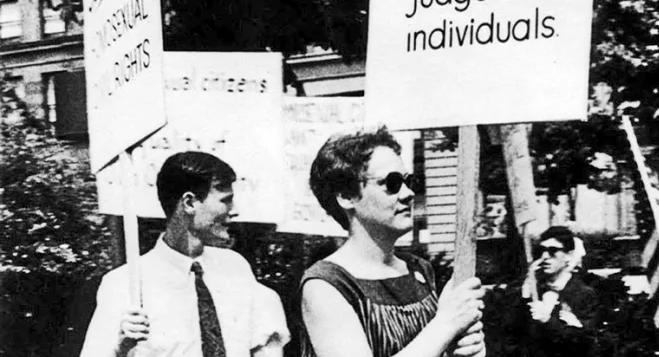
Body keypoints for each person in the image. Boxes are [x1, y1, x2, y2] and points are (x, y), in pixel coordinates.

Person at [80, 151, 289, 357]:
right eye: (226, 200)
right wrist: (120, 349)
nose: (234, 210)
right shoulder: (124, 284)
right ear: (189, 203)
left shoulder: (235, 267)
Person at [299, 127, 486, 357]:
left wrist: (461, 348)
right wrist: (447, 323)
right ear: (346, 197)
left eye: (409, 181)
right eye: (392, 182)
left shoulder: (419, 271)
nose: (408, 193)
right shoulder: (325, 285)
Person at [521, 226, 600, 357]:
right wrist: (525, 296)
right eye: (541, 250)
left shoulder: (585, 294)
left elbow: (586, 344)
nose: (545, 256)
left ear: (568, 255)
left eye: (553, 251)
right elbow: (516, 335)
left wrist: (548, 321)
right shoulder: (534, 289)